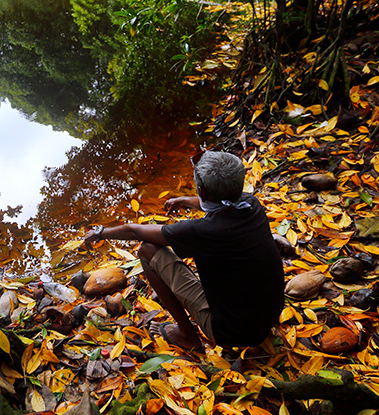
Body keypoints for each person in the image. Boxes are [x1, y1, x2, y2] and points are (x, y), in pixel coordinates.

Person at [83, 150, 284, 351]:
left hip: (232, 333)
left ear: (202, 190)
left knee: (147, 250)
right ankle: (263, 322)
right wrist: (184, 200)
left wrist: (101, 232)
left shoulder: (202, 231)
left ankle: (187, 335)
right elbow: (223, 202)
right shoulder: (251, 205)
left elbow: (136, 231)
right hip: (268, 317)